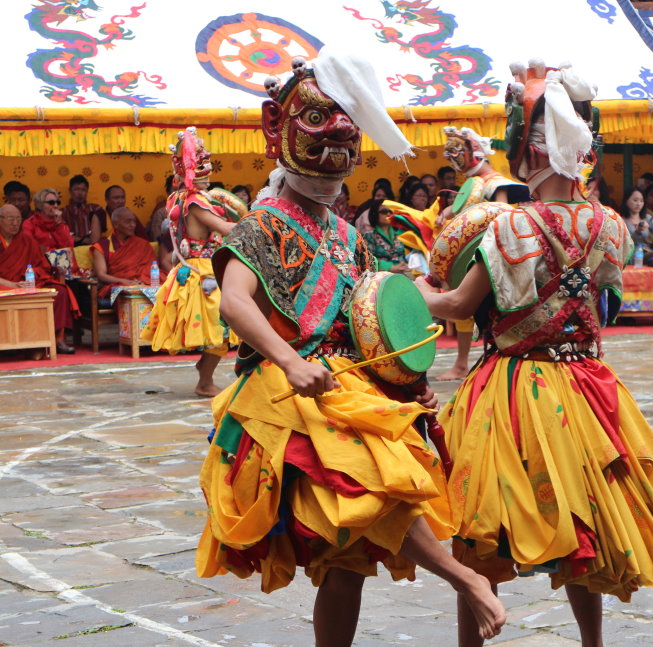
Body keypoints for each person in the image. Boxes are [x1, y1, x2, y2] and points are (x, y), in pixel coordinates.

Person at [198, 54, 505, 646]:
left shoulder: (348, 236)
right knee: (373, 485)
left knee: (347, 564)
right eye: (319, 116)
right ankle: (464, 578)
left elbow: (371, 319)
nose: (339, 130)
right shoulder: (259, 227)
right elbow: (233, 303)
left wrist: (409, 381)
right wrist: (289, 361)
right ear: (277, 124)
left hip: (353, 387)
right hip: (289, 393)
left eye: (348, 117)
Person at [416, 59, 653, 647]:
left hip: (512, 389)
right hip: (587, 386)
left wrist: (419, 294)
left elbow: (462, 307)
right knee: (583, 520)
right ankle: (591, 643)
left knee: (481, 525)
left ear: (531, 153)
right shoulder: (611, 224)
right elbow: (606, 303)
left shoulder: (511, 226)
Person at [141, 128, 237, 396]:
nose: (208, 173)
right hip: (203, 271)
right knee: (224, 327)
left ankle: (205, 375)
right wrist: (257, 222)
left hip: (193, 268)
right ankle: (205, 380)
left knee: (222, 328)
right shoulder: (195, 201)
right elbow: (224, 228)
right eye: (202, 166)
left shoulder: (178, 198)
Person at [432, 125, 529, 382]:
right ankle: (464, 363)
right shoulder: (471, 186)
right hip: (475, 256)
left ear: (473, 151)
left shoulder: (496, 183)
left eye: (457, 151)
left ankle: (488, 360)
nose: (454, 159)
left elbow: (503, 215)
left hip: (494, 256)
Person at [0, 204, 78, 354]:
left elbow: (42, 266)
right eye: (10, 219)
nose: (15, 223)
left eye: (18, 219)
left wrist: (30, 276)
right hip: (4, 284)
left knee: (59, 291)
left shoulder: (26, 240)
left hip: (25, 282)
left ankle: (57, 339)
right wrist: (11, 284)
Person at [91, 207, 164, 301]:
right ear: (116, 224)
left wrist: (141, 281)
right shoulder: (102, 246)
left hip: (143, 284)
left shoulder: (142, 244)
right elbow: (101, 275)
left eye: (134, 221)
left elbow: (151, 269)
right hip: (119, 286)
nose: (133, 225)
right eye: (128, 222)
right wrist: (125, 281)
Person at [619, 186, 653, 265]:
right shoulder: (621, 220)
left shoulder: (647, 218)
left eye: (641, 201)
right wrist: (638, 231)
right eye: (635, 200)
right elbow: (625, 242)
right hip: (628, 255)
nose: (638, 204)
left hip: (645, 253)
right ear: (626, 201)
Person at [363, 203, 409, 272]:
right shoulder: (369, 236)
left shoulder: (401, 234)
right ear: (375, 214)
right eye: (384, 212)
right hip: (382, 276)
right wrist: (390, 267)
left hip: (404, 273)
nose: (388, 214)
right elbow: (367, 259)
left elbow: (408, 255)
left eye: (390, 211)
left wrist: (407, 266)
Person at [63, 174, 106, 247]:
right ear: (70, 191)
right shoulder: (63, 212)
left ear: (87, 192)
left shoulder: (95, 209)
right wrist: (83, 239)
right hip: (71, 249)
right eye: (77, 189)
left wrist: (77, 239)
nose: (80, 193)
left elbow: (99, 237)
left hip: (92, 249)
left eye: (83, 190)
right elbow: (62, 236)